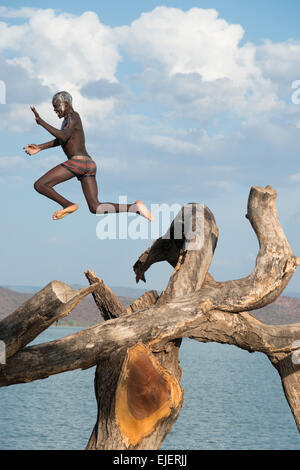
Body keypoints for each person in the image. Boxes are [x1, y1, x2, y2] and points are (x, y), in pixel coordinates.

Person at [24, 91, 153, 221]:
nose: (55, 110)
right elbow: (62, 139)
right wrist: (40, 147)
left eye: (57, 106)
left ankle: (67, 204)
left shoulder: (73, 117)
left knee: (40, 185)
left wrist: (42, 122)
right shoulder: (67, 122)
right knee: (95, 207)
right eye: (53, 107)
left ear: (66, 104)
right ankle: (134, 208)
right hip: (88, 165)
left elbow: (63, 136)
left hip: (77, 162)